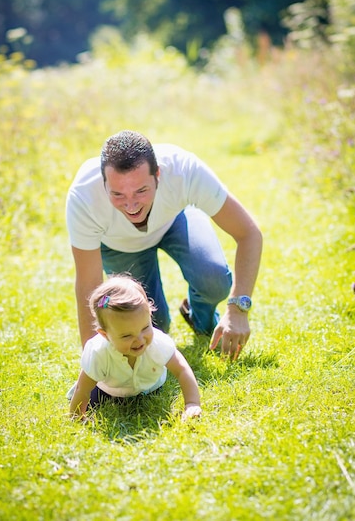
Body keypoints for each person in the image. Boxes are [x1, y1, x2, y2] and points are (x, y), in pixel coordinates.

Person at [66, 130, 262, 359]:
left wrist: (238, 309)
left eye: (141, 190)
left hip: (175, 221)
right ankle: (161, 321)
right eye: (118, 194)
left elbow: (249, 233)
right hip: (119, 245)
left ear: (158, 174)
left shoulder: (184, 170)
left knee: (213, 279)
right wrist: (92, 363)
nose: (131, 206)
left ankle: (202, 318)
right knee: (151, 326)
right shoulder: (83, 197)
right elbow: (89, 286)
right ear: (104, 183)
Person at [69, 275, 202, 420]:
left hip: (150, 388)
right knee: (92, 401)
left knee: (147, 406)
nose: (139, 339)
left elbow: (182, 370)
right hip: (108, 391)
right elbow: (83, 388)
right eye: (127, 336)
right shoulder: (99, 352)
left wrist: (192, 403)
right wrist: (76, 416)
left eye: (145, 327)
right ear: (105, 335)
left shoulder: (157, 343)